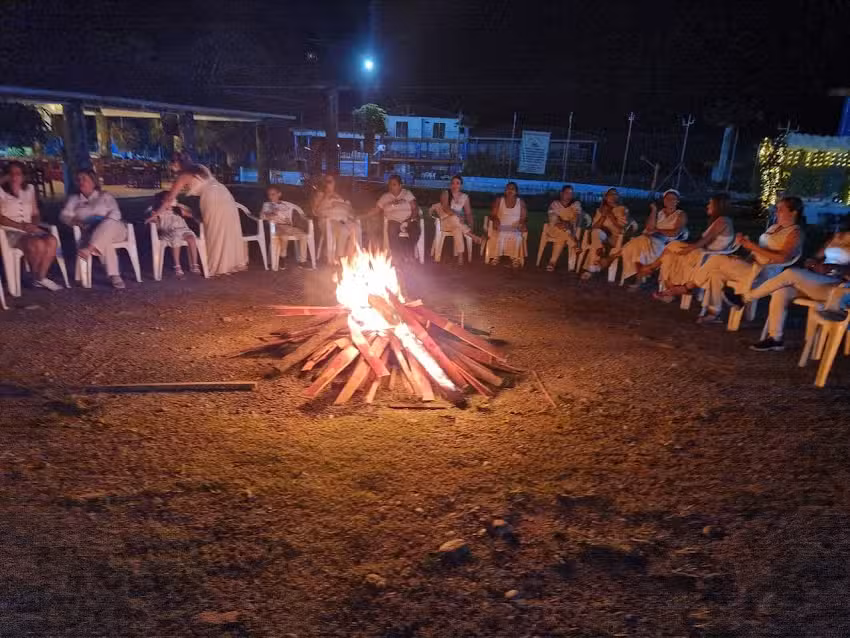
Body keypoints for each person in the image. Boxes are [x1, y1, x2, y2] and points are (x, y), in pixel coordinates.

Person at [689, 195, 804, 325]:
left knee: (717, 258)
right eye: (777, 209)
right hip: (751, 267)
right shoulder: (774, 227)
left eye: (781, 209)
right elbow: (759, 251)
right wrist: (746, 250)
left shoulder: (795, 233)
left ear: (793, 212)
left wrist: (751, 246)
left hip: (764, 273)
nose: (776, 212)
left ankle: (689, 285)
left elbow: (783, 257)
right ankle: (714, 312)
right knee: (716, 274)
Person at [733, 225, 850, 351]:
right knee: (782, 290)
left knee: (791, 273)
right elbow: (815, 257)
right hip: (820, 280)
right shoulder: (838, 237)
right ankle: (775, 339)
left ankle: (745, 298)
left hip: (839, 288)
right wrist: (813, 263)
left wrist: (837, 269)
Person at [155, 152, 247, 276]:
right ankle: (229, 263)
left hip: (211, 197)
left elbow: (169, 199)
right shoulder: (200, 168)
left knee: (215, 229)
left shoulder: (183, 176)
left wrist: (156, 214)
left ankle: (219, 266)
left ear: (177, 163)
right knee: (226, 227)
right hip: (223, 192)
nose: (171, 168)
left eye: (171, 164)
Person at [639, 193, 735, 302]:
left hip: (709, 257)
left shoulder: (722, 221)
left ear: (718, 206)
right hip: (706, 253)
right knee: (669, 256)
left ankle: (652, 269)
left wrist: (688, 249)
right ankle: (669, 288)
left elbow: (703, 242)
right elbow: (704, 243)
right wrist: (688, 248)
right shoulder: (721, 220)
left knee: (673, 246)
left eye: (710, 203)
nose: (708, 206)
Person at [59, 168, 128, 289]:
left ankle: (88, 249)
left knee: (108, 225)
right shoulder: (75, 200)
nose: (81, 182)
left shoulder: (105, 196)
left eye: (84, 179)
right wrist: (75, 221)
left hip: (116, 229)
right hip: (92, 232)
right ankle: (114, 275)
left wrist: (101, 221)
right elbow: (64, 216)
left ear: (93, 182)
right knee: (105, 240)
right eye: (78, 179)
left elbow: (116, 214)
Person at [0, 161, 62, 291]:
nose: (14, 177)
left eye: (18, 174)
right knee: (37, 244)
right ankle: (37, 277)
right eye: (11, 174)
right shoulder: (1, 191)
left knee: (52, 240)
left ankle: (40, 277)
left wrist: (33, 224)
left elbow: (35, 213)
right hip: (9, 229)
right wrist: (20, 226)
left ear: (23, 176)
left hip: (28, 228)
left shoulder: (29, 190)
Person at [608, 188, 688, 286]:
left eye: (673, 199)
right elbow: (649, 228)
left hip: (664, 243)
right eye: (667, 199)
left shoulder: (681, 214)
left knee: (638, 243)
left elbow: (675, 232)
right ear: (664, 200)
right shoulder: (660, 213)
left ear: (677, 201)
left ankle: (614, 257)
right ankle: (639, 278)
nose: (670, 201)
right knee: (640, 243)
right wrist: (654, 210)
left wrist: (658, 230)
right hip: (649, 239)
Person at [145, 191, 200, 278]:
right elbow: (157, 226)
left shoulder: (177, 210)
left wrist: (180, 207)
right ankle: (177, 266)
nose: (172, 201)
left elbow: (191, 215)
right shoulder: (158, 212)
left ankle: (194, 264)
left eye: (173, 199)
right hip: (169, 232)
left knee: (191, 238)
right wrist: (155, 221)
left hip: (183, 230)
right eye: (169, 199)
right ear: (163, 201)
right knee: (176, 239)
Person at [580, 188, 631, 279]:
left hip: (615, 238)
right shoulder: (600, 210)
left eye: (615, 194)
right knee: (596, 233)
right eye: (610, 194)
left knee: (595, 244)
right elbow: (594, 227)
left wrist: (611, 216)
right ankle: (598, 256)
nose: (612, 196)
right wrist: (603, 215)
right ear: (606, 197)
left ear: (617, 197)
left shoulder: (622, 209)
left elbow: (621, 230)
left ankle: (591, 268)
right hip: (601, 237)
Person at [430, 175, 482, 265]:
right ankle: (473, 236)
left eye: (457, 183)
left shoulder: (465, 197)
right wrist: (457, 214)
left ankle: (460, 257)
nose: (455, 185)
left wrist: (471, 225)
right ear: (450, 185)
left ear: (461, 185)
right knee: (455, 218)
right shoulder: (446, 193)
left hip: (457, 224)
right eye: (453, 183)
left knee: (457, 229)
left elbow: (468, 213)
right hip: (445, 221)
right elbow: (445, 208)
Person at [373, 174, 420, 263]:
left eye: (394, 184)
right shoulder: (385, 197)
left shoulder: (407, 193)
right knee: (392, 230)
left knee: (415, 230)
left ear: (400, 185)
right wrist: (363, 216)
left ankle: (409, 253)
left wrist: (410, 220)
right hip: (394, 221)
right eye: (390, 184)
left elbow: (415, 208)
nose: (391, 187)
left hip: (408, 219)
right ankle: (397, 256)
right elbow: (376, 210)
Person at [312, 175, 357, 263]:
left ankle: (351, 257)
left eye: (330, 181)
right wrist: (325, 196)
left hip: (343, 219)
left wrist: (339, 204)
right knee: (344, 230)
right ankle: (339, 257)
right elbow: (315, 211)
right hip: (328, 221)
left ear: (335, 183)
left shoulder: (339, 196)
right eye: (326, 181)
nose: (327, 183)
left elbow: (351, 210)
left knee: (356, 228)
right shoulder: (320, 195)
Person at [262, 184, 308, 269]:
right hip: (276, 226)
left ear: (279, 194)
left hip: (288, 226)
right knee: (284, 236)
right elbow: (262, 216)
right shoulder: (267, 205)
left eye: (273, 194)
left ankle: (303, 261)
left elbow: (290, 216)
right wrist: (272, 212)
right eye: (269, 195)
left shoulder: (285, 205)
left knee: (304, 236)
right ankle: (282, 257)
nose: (271, 197)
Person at [488, 181, 527, 268]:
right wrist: (495, 219)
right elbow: (493, 215)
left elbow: (523, 218)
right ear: (505, 191)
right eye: (508, 188)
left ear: (516, 192)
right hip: (500, 227)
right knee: (499, 234)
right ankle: (496, 256)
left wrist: (522, 223)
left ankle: (515, 258)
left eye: (512, 189)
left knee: (517, 236)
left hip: (515, 227)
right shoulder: (499, 200)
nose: (510, 190)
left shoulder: (520, 202)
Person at [544, 184, 582, 272]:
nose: (569, 195)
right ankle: (574, 244)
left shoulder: (575, 205)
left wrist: (568, 224)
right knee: (561, 228)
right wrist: (563, 222)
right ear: (561, 193)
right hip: (554, 229)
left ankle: (552, 262)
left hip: (570, 230)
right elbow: (552, 217)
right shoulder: (555, 204)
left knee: (562, 233)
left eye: (571, 193)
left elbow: (578, 218)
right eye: (567, 193)